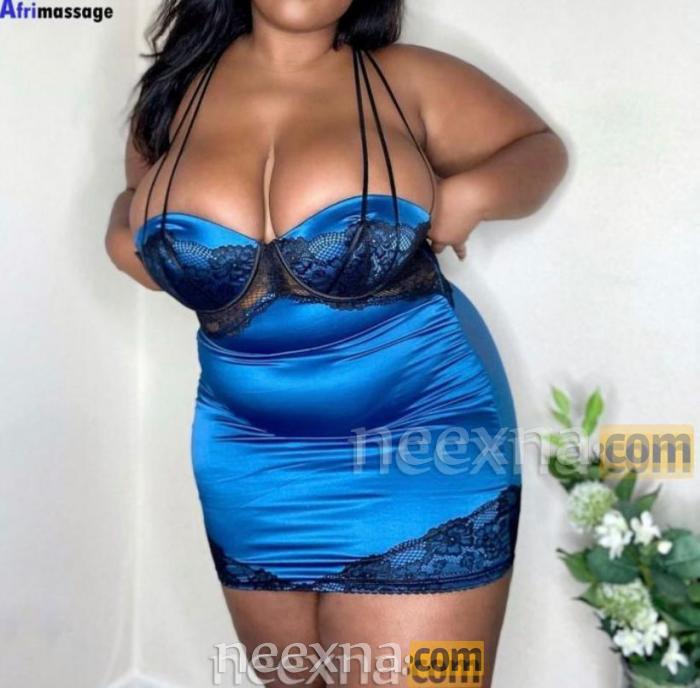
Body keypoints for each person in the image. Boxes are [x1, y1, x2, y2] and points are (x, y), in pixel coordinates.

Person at [105, 1, 568, 685]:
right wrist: (120, 231)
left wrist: (472, 194)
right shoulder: (176, 92)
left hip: (418, 435)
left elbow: (540, 150)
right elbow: (137, 197)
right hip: (247, 455)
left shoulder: (404, 80)